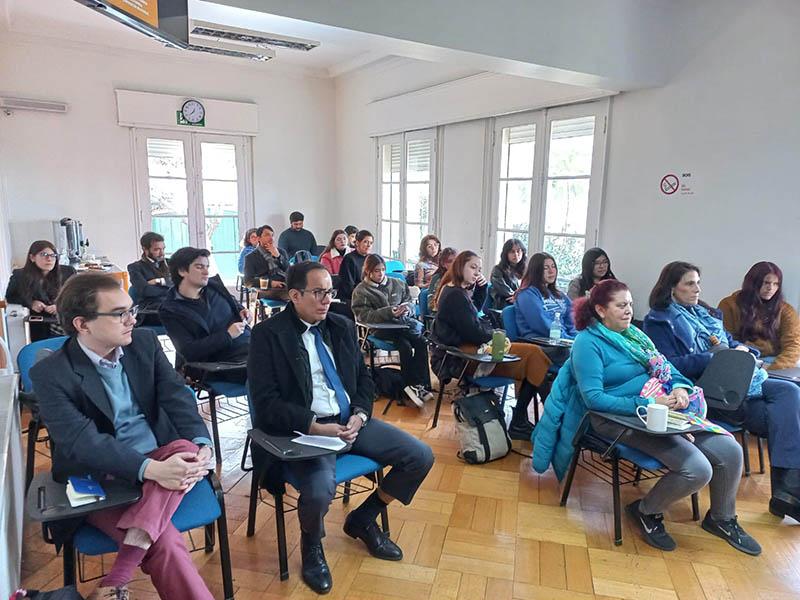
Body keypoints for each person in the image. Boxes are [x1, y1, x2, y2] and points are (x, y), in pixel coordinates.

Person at [532, 279, 761, 555]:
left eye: (630, 304)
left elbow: (668, 370)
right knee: (698, 469)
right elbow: (594, 398)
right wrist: (649, 402)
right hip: (614, 417)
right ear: (601, 310)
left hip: (660, 409)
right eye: (621, 305)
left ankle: (722, 518)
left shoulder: (637, 336)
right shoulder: (588, 342)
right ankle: (645, 511)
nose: (629, 310)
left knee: (730, 450)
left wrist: (679, 388)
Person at [247, 261, 434, 594]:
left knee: (419, 455)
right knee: (319, 491)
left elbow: (364, 378)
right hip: (308, 430)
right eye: (318, 292)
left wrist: (361, 414)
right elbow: (267, 403)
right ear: (294, 295)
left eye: (329, 292)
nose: (326, 300)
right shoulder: (268, 335)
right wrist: (315, 426)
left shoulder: (341, 325)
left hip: (351, 420)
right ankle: (311, 545)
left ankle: (363, 518)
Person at [29, 272, 216, 599]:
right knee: (166, 543)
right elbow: (81, 441)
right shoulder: (50, 373)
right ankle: (124, 570)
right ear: (82, 324)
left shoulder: (144, 343)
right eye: (120, 314)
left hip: (164, 463)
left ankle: (117, 577)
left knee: (186, 447)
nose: (132, 319)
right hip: (102, 477)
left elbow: (176, 398)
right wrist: (152, 471)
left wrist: (203, 445)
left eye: (132, 310)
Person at [644, 261, 800, 523]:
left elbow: (729, 341)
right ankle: (787, 493)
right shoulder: (658, 320)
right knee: (781, 413)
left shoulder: (704, 313)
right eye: (690, 284)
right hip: (705, 387)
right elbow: (667, 365)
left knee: (790, 392)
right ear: (672, 288)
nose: (697, 289)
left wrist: (744, 352)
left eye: (698, 283)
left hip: (734, 379)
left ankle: (788, 491)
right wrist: (713, 358)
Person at [431, 251, 551, 440]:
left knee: (534, 358)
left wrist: (481, 289)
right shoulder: (454, 295)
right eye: (473, 267)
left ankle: (525, 420)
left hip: (474, 349)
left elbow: (473, 313)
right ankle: (547, 419)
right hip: (465, 356)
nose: (477, 272)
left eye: (479, 269)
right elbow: (473, 332)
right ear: (459, 266)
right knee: (534, 356)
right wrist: (496, 335)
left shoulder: (457, 291)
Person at [352, 254, 433, 407]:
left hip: (402, 325)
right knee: (405, 347)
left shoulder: (397, 283)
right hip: (380, 329)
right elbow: (363, 316)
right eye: (376, 271)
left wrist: (406, 310)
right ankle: (409, 387)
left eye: (382, 269)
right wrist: (389, 312)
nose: (381, 273)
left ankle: (421, 385)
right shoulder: (361, 290)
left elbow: (409, 301)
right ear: (368, 271)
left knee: (422, 342)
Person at [159, 247, 250, 382]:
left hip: (249, 347)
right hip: (221, 363)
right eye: (199, 267)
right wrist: (227, 335)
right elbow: (189, 351)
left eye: (207, 266)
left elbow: (234, 304)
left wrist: (243, 310)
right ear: (182, 271)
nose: (206, 272)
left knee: (287, 354)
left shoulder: (214, 286)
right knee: (275, 371)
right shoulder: (170, 310)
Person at [718, 261, 800, 370]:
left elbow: (793, 345)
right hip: (742, 359)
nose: (771, 288)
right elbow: (725, 339)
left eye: (776, 284)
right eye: (766, 283)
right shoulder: (729, 305)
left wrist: (772, 368)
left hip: (774, 360)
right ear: (753, 283)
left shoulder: (786, 310)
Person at [6, 240, 76, 341]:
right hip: (42, 324)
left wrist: (60, 306)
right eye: (44, 254)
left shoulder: (68, 272)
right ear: (32, 257)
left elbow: (78, 297)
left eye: (53, 255)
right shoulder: (20, 275)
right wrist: (31, 303)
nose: (49, 259)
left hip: (65, 321)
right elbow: (11, 296)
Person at [515, 252, 577, 341]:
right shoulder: (527, 294)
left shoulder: (560, 295)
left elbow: (572, 319)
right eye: (546, 268)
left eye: (553, 266)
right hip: (540, 341)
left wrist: (576, 338)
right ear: (536, 271)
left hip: (563, 341)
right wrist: (567, 340)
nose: (551, 271)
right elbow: (542, 325)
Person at [127, 232, 171, 324]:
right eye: (157, 250)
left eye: (163, 249)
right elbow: (145, 291)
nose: (162, 253)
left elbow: (181, 283)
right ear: (145, 249)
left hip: (171, 304)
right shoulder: (135, 268)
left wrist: (159, 281)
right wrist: (171, 288)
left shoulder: (170, 263)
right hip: (151, 311)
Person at [244, 224, 290, 300]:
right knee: (293, 293)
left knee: (301, 289)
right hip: (265, 288)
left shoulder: (281, 252)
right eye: (267, 235)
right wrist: (271, 283)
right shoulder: (251, 257)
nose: (271, 238)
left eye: (272, 235)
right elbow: (248, 281)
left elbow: (289, 270)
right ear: (259, 238)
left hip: (283, 284)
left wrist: (278, 256)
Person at [338, 229, 374, 303]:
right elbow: (348, 286)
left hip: (369, 294)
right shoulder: (349, 259)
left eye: (371, 243)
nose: (369, 245)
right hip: (353, 297)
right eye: (365, 242)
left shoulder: (372, 259)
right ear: (357, 243)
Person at [489, 238, 526, 309]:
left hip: (520, 301)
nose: (516, 254)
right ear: (506, 254)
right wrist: (518, 297)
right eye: (512, 252)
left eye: (518, 251)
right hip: (504, 303)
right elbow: (503, 289)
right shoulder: (498, 269)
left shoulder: (526, 270)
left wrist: (521, 298)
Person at [427, 247, 457, 313]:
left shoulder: (463, 277)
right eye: (450, 261)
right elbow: (430, 305)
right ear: (443, 264)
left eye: (456, 261)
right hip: (441, 315)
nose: (454, 264)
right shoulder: (436, 278)